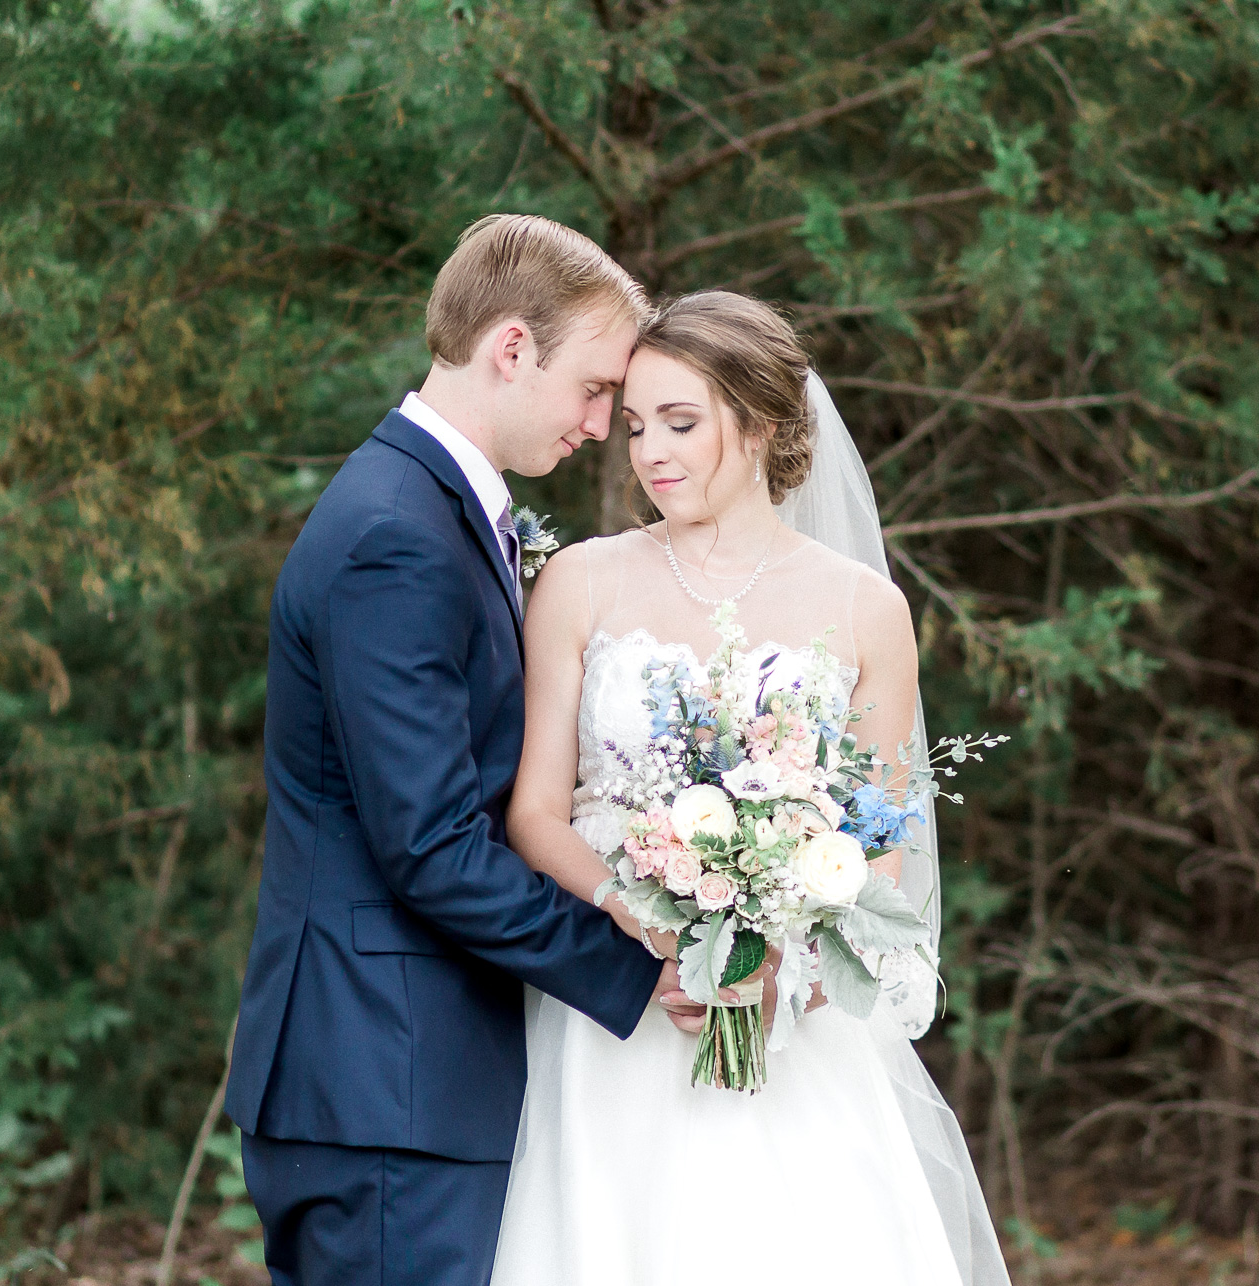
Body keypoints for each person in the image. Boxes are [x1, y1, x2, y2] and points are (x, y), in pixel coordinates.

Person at [491, 291, 1012, 1285]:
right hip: (620, 1017)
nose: (649, 452)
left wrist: (785, 970)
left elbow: (881, 841)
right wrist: (640, 921)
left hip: (793, 1032)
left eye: (680, 422)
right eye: (636, 426)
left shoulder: (866, 608)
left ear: (761, 424)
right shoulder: (581, 582)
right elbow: (533, 813)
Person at [225, 215, 694, 1286]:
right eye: (591, 389)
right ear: (513, 347)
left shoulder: (434, 511)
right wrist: (637, 961)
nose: (597, 424)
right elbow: (432, 842)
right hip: (384, 1080)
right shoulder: (395, 533)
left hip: (409, 1074)